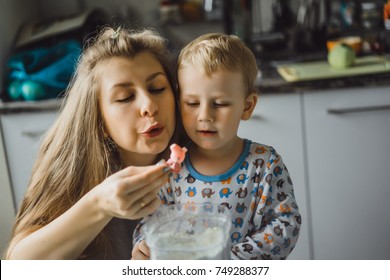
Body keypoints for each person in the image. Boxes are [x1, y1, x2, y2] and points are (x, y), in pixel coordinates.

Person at [4, 26, 181, 259]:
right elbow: (18, 263)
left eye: (157, 88)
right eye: (125, 97)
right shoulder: (73, 169)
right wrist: (100, 204)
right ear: (99, 121)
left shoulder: (199, 152)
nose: (149, 105)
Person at [133, 33, 301, 260]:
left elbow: (285, 224)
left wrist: (227, 260)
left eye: (219, 103)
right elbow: (150, 220)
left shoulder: (265, 164)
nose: (204, 116)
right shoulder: (170, 169)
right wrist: (144, 245)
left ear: (247, 106)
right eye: (192, 103)